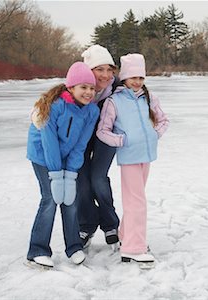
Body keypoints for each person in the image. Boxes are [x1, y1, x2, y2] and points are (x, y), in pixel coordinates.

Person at [26, 62, 100, 268]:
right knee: (50, 197)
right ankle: (37, 251)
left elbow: (80, 145)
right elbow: (49, 142)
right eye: (83, 87)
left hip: (67, 155)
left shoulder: (91, 112)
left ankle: (74, 246)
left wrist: (71, 172)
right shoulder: (55, 106)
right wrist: (57, 174)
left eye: (92, 88)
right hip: (42, 154)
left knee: (70, 199)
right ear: (71, 87)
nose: (88, 92)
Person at [97, 53, 169, 264]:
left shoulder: (149, 98)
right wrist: (122, 140)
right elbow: (102, 131)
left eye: (141, 78)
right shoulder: (114, 101)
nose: (137, 82)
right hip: (129, 157)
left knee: (134, 200)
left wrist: (155, 133)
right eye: (133, 77)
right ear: (125, 77)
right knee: (136, 202)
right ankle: (133, 248)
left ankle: (125, 236)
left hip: (146, 156)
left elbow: (163, 120)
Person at [76, 44, 121, 249]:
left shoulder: (118, 87)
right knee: (82, 183)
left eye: (108, 69)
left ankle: (111, 225)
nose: (105, 75)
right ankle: (87, 224)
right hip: (81, 140)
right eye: (99, 69)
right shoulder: (78, 86)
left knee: (98, 179)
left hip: (106, 136)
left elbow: (141, 100)